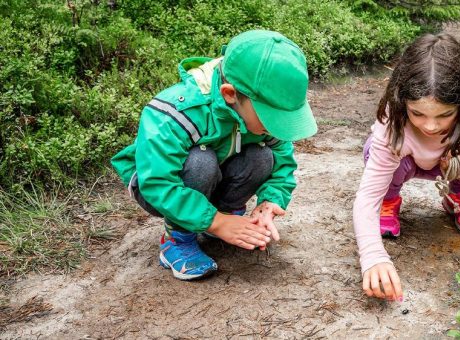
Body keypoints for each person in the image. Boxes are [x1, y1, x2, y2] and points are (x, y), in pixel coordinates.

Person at [111, 30, 317, 280]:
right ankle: (177, 239)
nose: (277, 127)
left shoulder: (258, 114)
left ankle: (222, 218)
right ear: (230, 94)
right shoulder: (176, 112)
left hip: (214, 175)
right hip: (156, 185)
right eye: (270, 117)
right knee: (201, 162)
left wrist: (271, 201)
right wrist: (217, 222)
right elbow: (158, 183)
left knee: (262, 157)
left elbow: (282, 163)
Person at [353, 33, 460, 301]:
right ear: (402, 100)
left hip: (448, 163)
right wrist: (373, 256)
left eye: (445, 114)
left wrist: (456, 151)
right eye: (417, 113)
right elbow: (366, 195)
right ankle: (391, 199)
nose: (430, 126)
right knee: (374, 150)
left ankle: (458, 195)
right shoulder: (391, 115)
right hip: (403, 163)